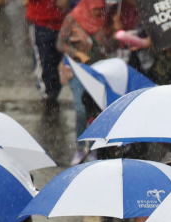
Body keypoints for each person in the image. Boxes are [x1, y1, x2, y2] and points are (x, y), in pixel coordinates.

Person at [56, 0, 116, 163]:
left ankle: (95, 147)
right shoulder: (73, 18)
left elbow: (111, 43)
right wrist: (77, 53)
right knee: (81, 109)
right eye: (96, 9)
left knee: (98, 111)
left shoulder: (107, 18)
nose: (99, 13)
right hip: (77, 70)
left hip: (99, 70)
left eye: (101, 9)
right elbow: (60, 44)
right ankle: (81, 147)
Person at [25, 0, 66, 105]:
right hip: (40, 22)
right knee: (44, 59)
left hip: (63, 22)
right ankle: (47, 94)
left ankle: (53, 92)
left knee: (58, 61)